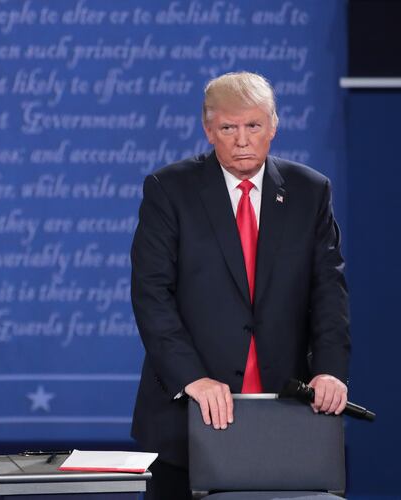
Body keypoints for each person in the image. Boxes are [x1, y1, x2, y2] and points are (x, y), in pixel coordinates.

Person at [130, 71, 350, 499]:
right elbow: (151, 294)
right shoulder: (169, 189)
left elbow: (328, 290)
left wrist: (329, 369)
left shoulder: (310, 191)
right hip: (187, 415)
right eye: (229, 127)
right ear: (209, 130)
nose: (242, 139)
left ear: (273, 126)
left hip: (288, 412)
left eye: (254, 126)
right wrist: (192, 378)